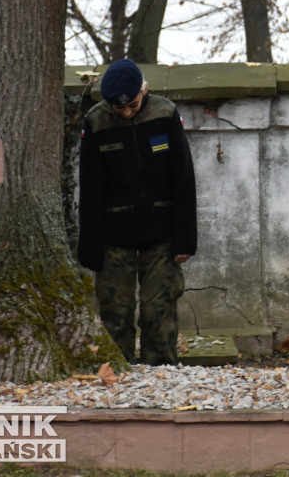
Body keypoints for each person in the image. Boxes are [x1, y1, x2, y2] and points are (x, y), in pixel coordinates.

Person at [77, 58, 197, 366]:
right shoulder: (96, 121)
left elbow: (183, 177)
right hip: (114, 238)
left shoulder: (165, 113)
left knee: (159, 310)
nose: (127, 112)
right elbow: (90, 187)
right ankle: (118, 372)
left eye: (132, 104)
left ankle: (162, 372)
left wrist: (185, 239)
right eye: (120, 109)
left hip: (162, 236)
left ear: (143, 91)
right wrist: (91, 248)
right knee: (115, 312)